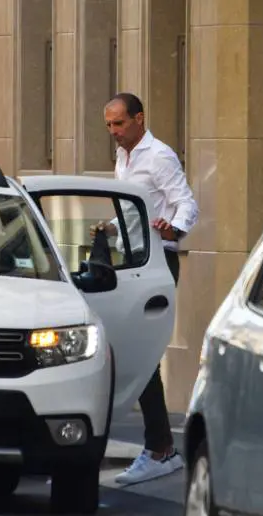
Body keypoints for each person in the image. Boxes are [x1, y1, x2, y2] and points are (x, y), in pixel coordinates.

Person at [92, 92, 198, 485]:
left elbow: (185, 203)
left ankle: (160, 448)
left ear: (139, 119)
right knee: (125, 352)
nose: (114, 132)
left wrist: (176, 228)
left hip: (157, 263)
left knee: (142, 353)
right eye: (108, 126)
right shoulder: (124, 158)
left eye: (119, 124)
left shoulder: (159, 156)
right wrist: (111, 230)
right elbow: (136, 211)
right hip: (130, 262)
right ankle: (159, 446)